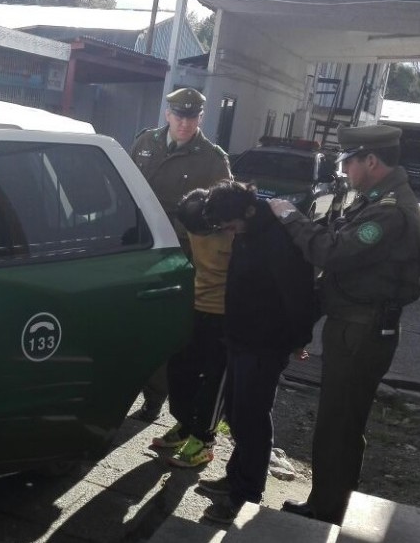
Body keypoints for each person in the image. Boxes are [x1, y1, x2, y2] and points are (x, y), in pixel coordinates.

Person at [268, 124, 420, 524]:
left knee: (338, 422)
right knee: (340, 419)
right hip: (354, 325)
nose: (345, 172)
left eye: (349, 162)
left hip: (362, 331)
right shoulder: (376, 199)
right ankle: (331, 500)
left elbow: (332, 252)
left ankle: (326, 509)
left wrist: (290, 218)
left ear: (371, 161)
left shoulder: (390, 211)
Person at [195, 180, 317, 524]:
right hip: (241, 338)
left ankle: (246, 494)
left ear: (247, 211)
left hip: (265, 343)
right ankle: (237, 477)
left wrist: (299, 339)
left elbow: (298, 293)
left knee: (251, 416)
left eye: (231, 226)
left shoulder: (278, 239)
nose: (229, 233)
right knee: (235, 412)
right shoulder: (248, 231)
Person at [128, 87, 232, 422]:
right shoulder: (146, 143)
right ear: (168, 115)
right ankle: (125, 388)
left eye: (191, 117)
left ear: (200, 118)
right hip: (138, 249)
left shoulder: (213, 159)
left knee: (167, 328)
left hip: (179, 255)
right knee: (133, 323)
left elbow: (223, 214)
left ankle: (156, 397)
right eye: (179, 116)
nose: (184, 124)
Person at [151, 188, 233, 470]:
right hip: (195, 307)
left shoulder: (234, 231)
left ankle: (204, 440)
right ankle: (185, 424)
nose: (197, 235)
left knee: (214, 379)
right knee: (180, 368)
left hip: (225, 316)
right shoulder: (192, 223)